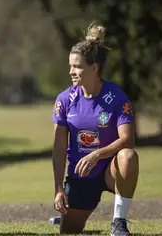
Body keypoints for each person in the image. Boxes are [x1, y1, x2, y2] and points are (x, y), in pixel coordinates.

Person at [51, 22, 139, 235]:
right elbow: (59, 148)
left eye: (77, 66)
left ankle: (119, 223)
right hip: (80, 175)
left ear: (94, 68)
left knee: (128, 156)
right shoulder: (65, 100)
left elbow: (127, 140)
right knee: (69, 231)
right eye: (70, 66)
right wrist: (58, 189)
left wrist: (97, 156)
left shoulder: (116, 96)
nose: (71, 71)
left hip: (109, 170)